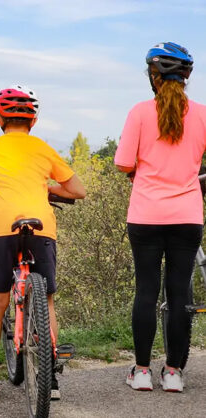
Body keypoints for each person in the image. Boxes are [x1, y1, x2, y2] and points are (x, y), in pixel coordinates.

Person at [0, 85, 86, 401]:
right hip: (41, 229)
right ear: (33, 121)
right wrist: (46, 190)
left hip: (1, 230)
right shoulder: (44, 149)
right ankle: (50, 382)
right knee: (47, 301)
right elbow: (78, 190)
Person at [114, 42, 206, 393]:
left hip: (146, 214)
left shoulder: (139, 112)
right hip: (187, 216)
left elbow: (124, 163)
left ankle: (140, 371)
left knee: (146, 292)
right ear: (186, 76)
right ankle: (173, 373)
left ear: (153, 77)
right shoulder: (202, 113)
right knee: (180, 292)